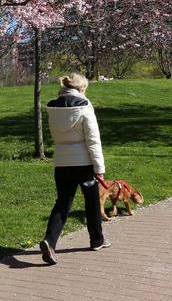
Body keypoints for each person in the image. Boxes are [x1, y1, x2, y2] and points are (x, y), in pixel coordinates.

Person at [39, 73, 110, 265]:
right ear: (82, 88)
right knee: (92, 201)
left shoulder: (52, 108)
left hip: (62, 162)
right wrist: (99, 167)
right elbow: (93, 141)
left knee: (62, 203)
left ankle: (50, 241)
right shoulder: (85, 107)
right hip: (84, 163)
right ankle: (97, 240)